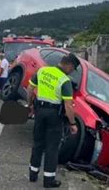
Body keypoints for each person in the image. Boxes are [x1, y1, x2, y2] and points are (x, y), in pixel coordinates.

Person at [27, 53, 80, 188]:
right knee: (51, 147)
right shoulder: (64, 80)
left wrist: (30, 105)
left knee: (37, 143)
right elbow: (68, 105)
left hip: (39, 112)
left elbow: (30, 89)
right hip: (54, 116)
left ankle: (33, 174)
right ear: (68, 65)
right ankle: (48, 180)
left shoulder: (42, 71)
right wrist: (73, 123)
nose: (72, 71)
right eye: (73, 69)